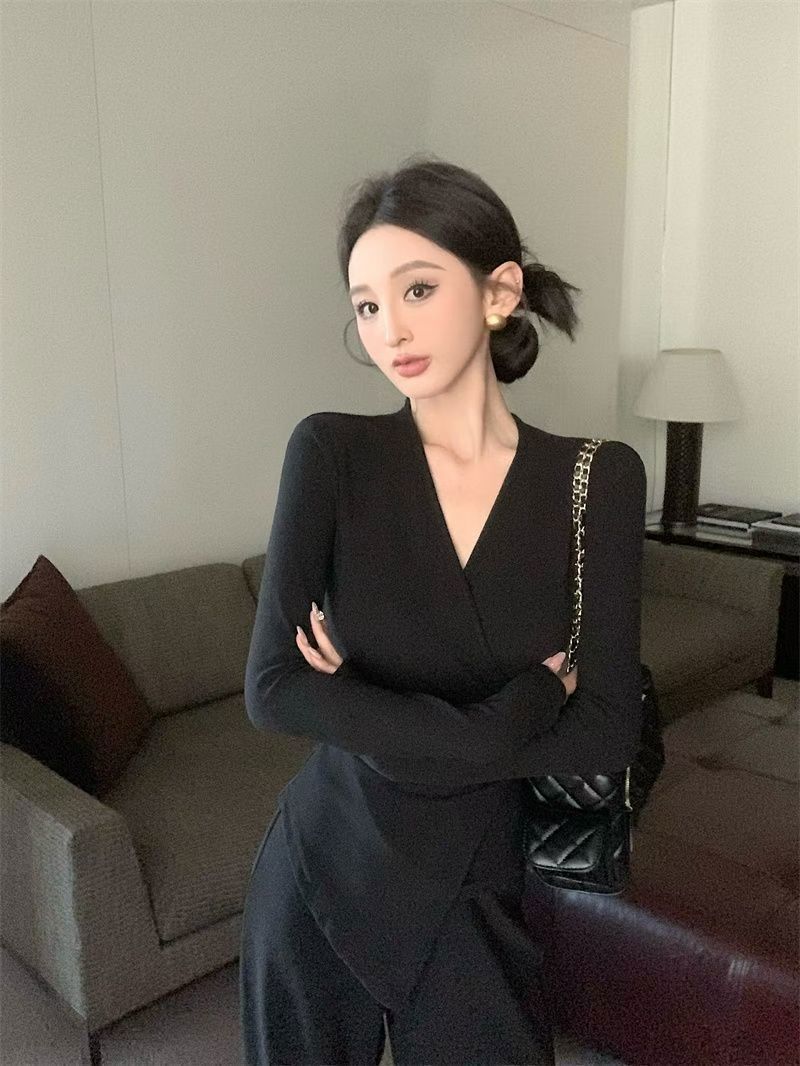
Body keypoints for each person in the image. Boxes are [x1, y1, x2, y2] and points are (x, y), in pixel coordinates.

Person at [238, 154, 647, 1065]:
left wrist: (364, 709)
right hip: (322, 863)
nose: (389, 329)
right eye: (367, 305)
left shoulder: (597, 479)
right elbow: (272, 690)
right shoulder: (331, 454)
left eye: (417, 290)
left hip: (476, 881)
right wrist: (508, 715)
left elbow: (607, 728)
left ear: (499, 292)